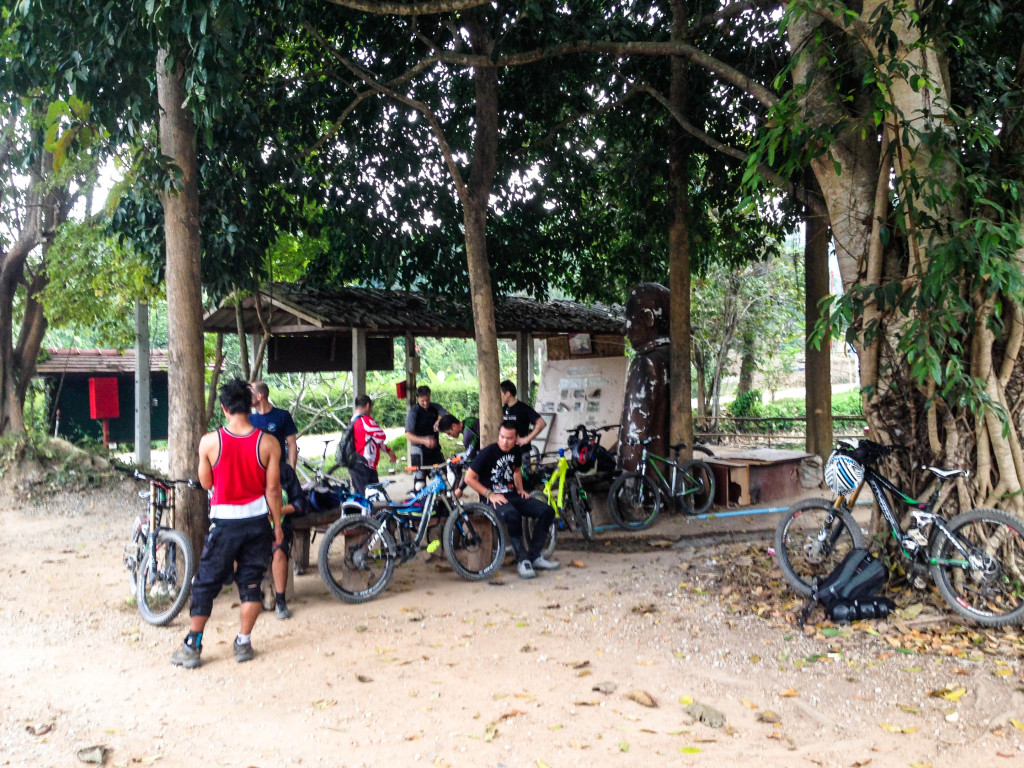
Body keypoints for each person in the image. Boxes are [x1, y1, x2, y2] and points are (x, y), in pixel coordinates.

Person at [171, 378, 283, 668]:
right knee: (251, 584)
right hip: (258, 523)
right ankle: (243, 643)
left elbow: (206, 482)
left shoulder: (210, 442)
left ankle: (193, 645)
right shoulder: (268, 442)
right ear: (251, 405)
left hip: (224, 525)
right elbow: (272, 490)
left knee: (205, 584)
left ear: (224, 408)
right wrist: (278, 526)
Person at [463, 422, 559, 580]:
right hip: (492, 500)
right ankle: (522, 560)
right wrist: (490, 494)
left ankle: (534, 556)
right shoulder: (487, 453)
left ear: (516, 438)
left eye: (509, 438)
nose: (505, 441)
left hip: (512, 495)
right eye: (502, 437)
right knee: (513, 515)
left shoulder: (515, 450)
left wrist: (520, 489)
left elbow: (516, 470)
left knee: (547, 511)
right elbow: (469, 478)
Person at [618, 283, 671, 473]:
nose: (624, 329)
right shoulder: (672, 358)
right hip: (665, 470)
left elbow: (635, 428)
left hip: (646, 476)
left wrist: (627, 474)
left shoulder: (644, 363)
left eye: (629, 319)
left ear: (649, 318)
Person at [269, 461, 307, 620]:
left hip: (281, 525)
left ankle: (280, 601)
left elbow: (300, 504)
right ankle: (249, 597)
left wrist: (281, 510)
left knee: (279, 552)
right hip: (254, 526)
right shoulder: (248, 469)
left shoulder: (285, 471)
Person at [348, 395, 397, 497]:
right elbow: (381, 436)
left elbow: (374, 440)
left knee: (360, 497)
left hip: (354, 463)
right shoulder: (366, 420)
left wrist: (388, 451)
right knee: (371, 498)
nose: (371, 411)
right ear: (368, 405)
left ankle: (357, 513)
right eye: (371, 408)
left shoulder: (352, 421)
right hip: (365, 465)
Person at [249, 381, 298, 470]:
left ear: (259, 396)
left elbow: (292, 445)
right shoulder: (249, 419)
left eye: (250, 393)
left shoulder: (283, 415)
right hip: (257, 474)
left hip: (279, 472)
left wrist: (292, 471)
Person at [405, 385, 448, 483]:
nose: (425, 403)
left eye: (427, 400)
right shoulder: (413, 412)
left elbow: (447, 416)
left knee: (443, 478)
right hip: (419, 450)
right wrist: (424, 440)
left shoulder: (435, 407)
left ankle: (440, 498)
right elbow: (408, 435)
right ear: (417, 399)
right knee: (420, 483)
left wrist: (440, 420)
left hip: (434, 450)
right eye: (422, 401)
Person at [500, 380, 545, 463]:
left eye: (501, 393)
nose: (499, 396)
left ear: (508, 393)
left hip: (522, 452)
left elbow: (541, 423)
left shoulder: (523, 408)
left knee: (522, 476)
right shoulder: (502, 409)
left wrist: (527, 439)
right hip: (506, 452)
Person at [438, 413, 481, 498]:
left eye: (449, 433)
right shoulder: (469, 420)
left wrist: (461, 488)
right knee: (453, 460)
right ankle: (454, 492)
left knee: (452, 463)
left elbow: (471, 467)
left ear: (454, 426)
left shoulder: (468, 435)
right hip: (480, 451)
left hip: (485, 457)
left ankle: (455, 494)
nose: (450, 436)